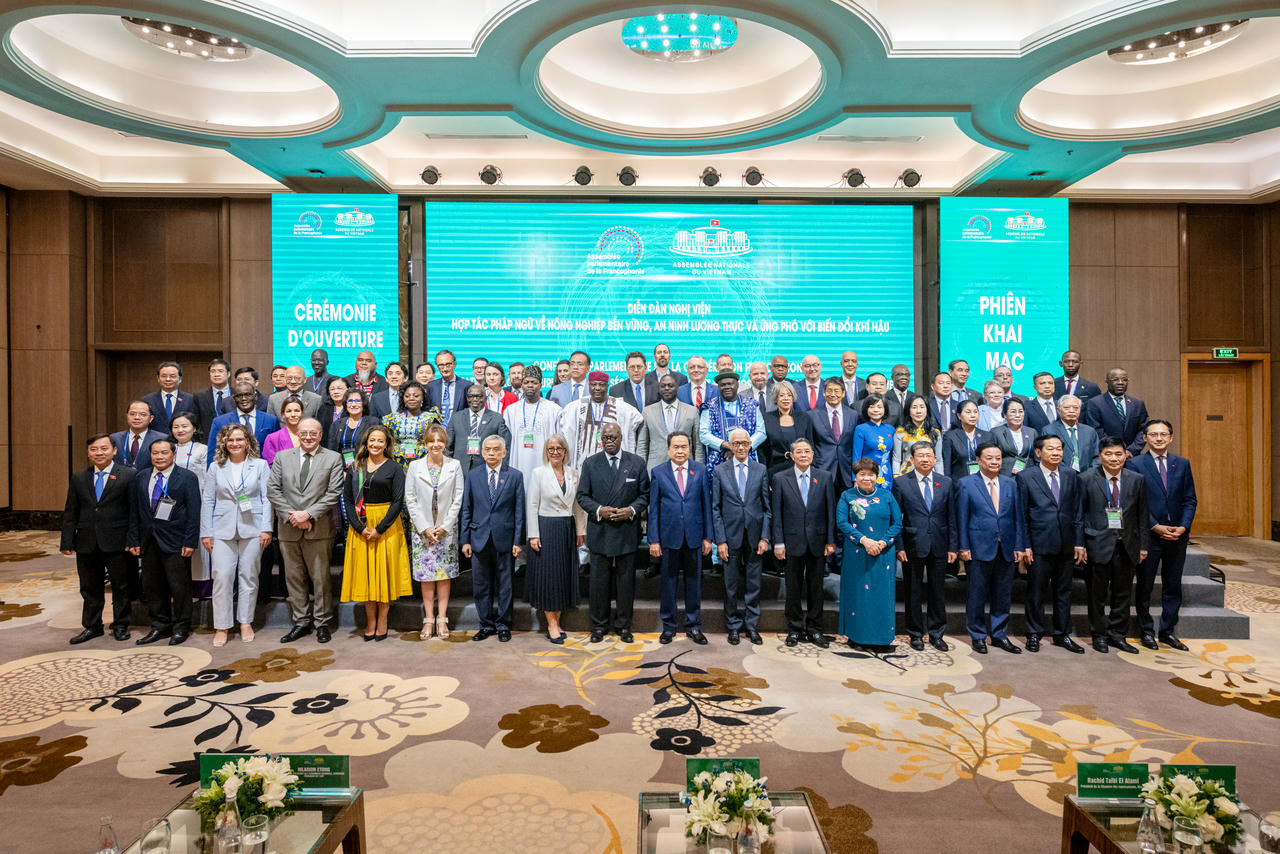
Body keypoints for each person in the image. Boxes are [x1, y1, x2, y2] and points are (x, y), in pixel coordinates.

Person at [269, 418, 344, 644]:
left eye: (313, 433)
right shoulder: (282, 457)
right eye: (304, 433)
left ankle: (322, 622)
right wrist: (293, 516)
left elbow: (333, 492)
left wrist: (308, 514)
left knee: (320, 579)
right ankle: (301, 622)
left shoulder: (332, 458)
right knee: (294, 578)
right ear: (297, 435)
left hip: (319, 528)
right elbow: (273, 489)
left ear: (320, 435)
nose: (308, 437)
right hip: (288, 528)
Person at [577, 422, 650, 643]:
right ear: (601, 440)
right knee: (598, 583)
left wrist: (631, 510)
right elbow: (582, 496)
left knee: (626, 583)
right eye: (606, 438)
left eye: (613, 437)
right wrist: (600, 510)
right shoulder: (590, 463)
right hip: (600, 529)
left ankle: (624, 626)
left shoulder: (636, 462)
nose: (609, 441)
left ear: (621, 438)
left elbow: (645, 495)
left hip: (627, 530)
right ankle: (599, 626)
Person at [62, 434, 138, 644]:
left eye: (104, 449)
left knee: (121, 586)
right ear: (88, 453)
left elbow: (134, 511)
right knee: (89, 587)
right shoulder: (79, 478)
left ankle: (121, 624)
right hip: (86, 541)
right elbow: (71, 511)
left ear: (114, 451)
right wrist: (67, 540)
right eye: (94, 449)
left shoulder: (128, 475)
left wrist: (133, 539)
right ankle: (92, 626)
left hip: (118, 540)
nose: (99, 453)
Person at [1127, 420, 1197, 651]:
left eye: (1163, 434)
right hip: (1149, 535)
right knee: (1145, 585)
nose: (1159, 438)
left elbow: (1190, 499)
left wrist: (1183, 526)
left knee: (1173, 585)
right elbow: (1133, 501)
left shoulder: (1182, 463)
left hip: (1177, 535)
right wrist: (1154, 526)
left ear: (1171, 438)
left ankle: (1167, 631)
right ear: (1145, 438)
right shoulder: (1136, 463)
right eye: (1154, 434)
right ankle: (1146, 631)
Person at [200, 423, 272, 647]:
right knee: (222, 577)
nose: (235, 443)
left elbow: (267, 498)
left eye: (239, 439)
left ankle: (245, 622)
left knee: (249, 576)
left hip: (253, 528)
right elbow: (208, 500)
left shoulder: (260, 465)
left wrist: (266, 528)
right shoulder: (215, 467)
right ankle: (222, 626)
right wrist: (206, 532)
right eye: (230, 440)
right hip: (221, 529)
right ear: (224, 443)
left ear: (248, 441)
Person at [126, 438, 201, 645]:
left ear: (174, 454)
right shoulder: (141, 477)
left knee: (179, 587)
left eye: (164, 453)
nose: (159, 457)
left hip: (176, 541)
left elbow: (194, 512)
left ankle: (181, 626)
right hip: (148, 540)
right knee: (153, 586)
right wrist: (133, 538)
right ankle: (160, 625)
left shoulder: (187, 477)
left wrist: (190, 541)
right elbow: (135, 511)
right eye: (155, 453)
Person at [1016, 434, 1086, 654]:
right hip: (1038, 545)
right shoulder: (1026, 477)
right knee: (1036, 592)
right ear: (1038, 452)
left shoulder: (1071, 474)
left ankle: (1062, 634)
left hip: (1066, 543)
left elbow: (1077, 512)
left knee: (1064, 591)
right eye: (1051, 449)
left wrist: (1079, 542)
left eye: (1059, 449)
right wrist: (1025, 545)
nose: (1056, 453)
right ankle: (1033, 633)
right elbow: (1021, 514)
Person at [340, 424, 411, 640]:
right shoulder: (355, 467)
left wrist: (379, 529)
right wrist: (360, 528)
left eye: (380, 440)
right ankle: (370, 621)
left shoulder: (395, 468)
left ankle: (383, 621)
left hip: (386, 526)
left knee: (384, 575)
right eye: (372, 440)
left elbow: (398, 501)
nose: (376, 444)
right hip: (361, 526)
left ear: (386, 444)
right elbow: (348, 500)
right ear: (366, 442)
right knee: (367, 576)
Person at [956, 442, 1027, 654]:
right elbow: (962, 518)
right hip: (978, 547)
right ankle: (977, 635)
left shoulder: (1011, 483)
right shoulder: (966, 484)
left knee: (1003, 595)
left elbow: (1018, 518)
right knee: (977, 595)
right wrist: (963, 547)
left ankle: (999, 635)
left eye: (998, 458)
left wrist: (1019, 545)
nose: (995, 462)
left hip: (1006, 547)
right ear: (978, 461)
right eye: (989, 458)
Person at [1081, 436, 1149, 653]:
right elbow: (1079, 515)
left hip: (1127, 545)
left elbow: (1143, 515)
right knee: (1097, 595)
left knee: (1123, 594)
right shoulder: (1086, 478)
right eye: (1108, 454)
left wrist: (1143, 546)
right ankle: (1098, 635)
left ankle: (1117, 635)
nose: (1114, 458)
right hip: (1097, 544)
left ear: (1125, 456)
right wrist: (1080, 544)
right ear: (1100, 456)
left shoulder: (1137, 479)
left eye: (1118, 454)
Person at [648, 432, 713, 645]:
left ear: (689, 449)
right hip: (668, 537)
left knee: (694, 583)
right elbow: (654, 509)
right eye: (676, 447)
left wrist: (708, 537)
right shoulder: (658, 472)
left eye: (684, 446)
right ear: (668, 449)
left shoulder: (700, 470)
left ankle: (694, 626)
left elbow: (706, 505)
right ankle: (668, 627)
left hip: (694, 536)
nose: (680, 451)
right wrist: (654, 539)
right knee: (668, 584)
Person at [771, 438, 836, 648]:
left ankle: (815, 629)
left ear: (813, 454)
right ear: (791, 456)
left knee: (816, 588)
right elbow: (777, 514)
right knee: (793, 587)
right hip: (791, 541)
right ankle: (795, 629)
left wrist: (830, 540)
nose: (803, 455)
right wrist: (778, 542)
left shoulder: (824, 477)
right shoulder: (780, 478)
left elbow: (830, 511)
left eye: (807, 451)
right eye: (799, 452)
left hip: (818, 541)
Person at [460, 435, 525, 643]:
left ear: (504, 453)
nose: (491, 453)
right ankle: (486, 624)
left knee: (505, 584)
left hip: (505, 538)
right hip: (478, 538)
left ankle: (503, 625)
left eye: (496, 449)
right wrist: (465, 540)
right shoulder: (473, 475)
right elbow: (467, 508)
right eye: (487, 449)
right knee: (481, 585)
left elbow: (519, 511)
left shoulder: (515, 476)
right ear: (482, 451)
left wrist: (517, 541)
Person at [892, 441, 954, 652]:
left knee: (937, 591)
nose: (925, 459)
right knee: (913, 591)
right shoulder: (901, 483)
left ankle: (937, 633)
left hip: (939, 543)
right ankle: (915, 633)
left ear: (935, 459)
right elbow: (896, 519)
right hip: (912, 544)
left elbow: (952, 517)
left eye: (929, 455)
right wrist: (899, 547)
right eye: (920, 455)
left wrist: (953, 547)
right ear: (912, 459)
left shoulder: (946, 482)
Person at [404, 423, 464, 640]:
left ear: (445, 443)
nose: (435, 445)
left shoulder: (454, 465)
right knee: (426, 575)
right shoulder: (415, 466)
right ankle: (428, 619)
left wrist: (445, 526)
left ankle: (442, 618)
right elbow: (410, 498)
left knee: (443, 575)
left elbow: (458, 498)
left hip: (446, 529)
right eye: (431, 441)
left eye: (439, 441)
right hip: (423, 530)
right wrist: (425, 527)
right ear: (425, 444)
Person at [836, 457, 902, 651]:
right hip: (857, 552)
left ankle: (882, 639)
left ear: (877, 476)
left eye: (871, 474)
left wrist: (882, 542)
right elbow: (842, 523)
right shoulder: (847, 496)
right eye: (862, 474)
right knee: (858, 595)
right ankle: (857, 637)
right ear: (855, 477)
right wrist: (864, 540)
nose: (866, 478)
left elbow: (897, 523)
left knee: (882, 596)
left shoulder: (886, 496)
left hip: (883, 553)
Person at [712, 428, 770, 646]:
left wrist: (765, 537)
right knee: (731, 585)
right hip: (730, 536)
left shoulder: (761, 469)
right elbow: (715, 508)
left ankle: (752, 626)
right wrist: (720, 540)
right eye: (736, 443)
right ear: (730, 445)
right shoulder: (720, 471)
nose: (741, 447)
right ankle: (734, 626)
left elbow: (767, 508)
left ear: (750, 444)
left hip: (755, 536)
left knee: (754, 584)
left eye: (744, 443)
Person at [525, 433, 586, 644]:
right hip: (546, 529)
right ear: (546, 452)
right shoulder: (538, 473)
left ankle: (558, 622)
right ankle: (551, 624)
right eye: (551, 449)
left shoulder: (573, 473)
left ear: (565, 451)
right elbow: (532, 505)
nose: (555, 452)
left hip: (567, 528)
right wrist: (533, 534)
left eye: (559, 448)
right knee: (549, 578)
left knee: (562, 577)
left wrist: (580, 531)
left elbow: (577, 505)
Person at [559, 371, 642, 469]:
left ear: (607, 386)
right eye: (594, 384)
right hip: (582, 464)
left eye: (601, 385)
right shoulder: (575, 407)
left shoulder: (621, 407)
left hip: (611, 465)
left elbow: (638, 419)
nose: (597, 388)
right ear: (589, 386)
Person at [170, 413, 211, 597]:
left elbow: (207, 478)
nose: (180, 430)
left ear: (194, 428)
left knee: (197, 545)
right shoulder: (167, 448)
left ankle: (200, 589)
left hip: (197, 502)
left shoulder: (203, 449)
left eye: (185, 426)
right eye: (176, 426)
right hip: (172, 505)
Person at [503, 365, 563, 481]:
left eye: (534, 382)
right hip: (518, 464)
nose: (530, 385)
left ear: (541, 385)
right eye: (526, 382)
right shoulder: (511, 411)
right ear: (521, 384)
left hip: (545, 467)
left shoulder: (554, 410)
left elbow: (560, 442)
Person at [699, 370, 764, 475]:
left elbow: (761, 432)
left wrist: (743, 447)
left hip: (747, 458)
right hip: (718, 460)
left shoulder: (752, 405)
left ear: (737, 385)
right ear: (718, 387)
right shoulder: (709, 406)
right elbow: (704, 434)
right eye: (723, 385)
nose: (727, 387)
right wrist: (725, 445)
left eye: (730, 384)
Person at [637, 374, 702, 471]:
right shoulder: (647, 411)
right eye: (663, 386)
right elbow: (642, 445)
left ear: (677, 388)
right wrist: (640, 471)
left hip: (685, 467)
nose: (667, 388)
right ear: (659, 389)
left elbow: (698, 445)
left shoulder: (692, 411)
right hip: (655, 467)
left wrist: (699, 469)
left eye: (670, 385)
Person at [1085, 368, 1149, 455]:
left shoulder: (1137, 404)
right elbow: (1096, 430)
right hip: (1108, 454)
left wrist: (1132, 450)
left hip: (1132, 455)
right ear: (1107, 381)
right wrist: (1116, 450)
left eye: (1124, 380)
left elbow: (1144, 430)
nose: (1120, 382)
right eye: (1115, 379)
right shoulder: (1095, 403)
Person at [447, 384, 511, 471]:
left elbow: (505, 446)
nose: (475, 399)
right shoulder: (456, 417)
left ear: (486, 398)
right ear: (467, 398)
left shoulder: (497, 418)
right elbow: (448, 446)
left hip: (487, 468)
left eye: (479, 396)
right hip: (460, 468)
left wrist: (501, 469)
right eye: (471, 396)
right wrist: (449, 467)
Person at [760, 382, 814, 478]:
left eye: (789, 395)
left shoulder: (804, 417)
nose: (786, 398)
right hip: (775, 470)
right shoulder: (767, 418)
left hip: (801, 469)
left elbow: (811, 445)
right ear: (776, 398)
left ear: (793, 398)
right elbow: (763, 450)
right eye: (781, 395)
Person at [811, 377, 856, 493]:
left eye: (836, 391)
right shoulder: (812, 415)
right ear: (823, 393)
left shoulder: (853, 415)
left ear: (843, 393)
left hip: (846, 469)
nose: (833, 394)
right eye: (829, 391)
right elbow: (810, 443)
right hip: (822, 468)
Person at [209, 381, 280, 454]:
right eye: (239, 396)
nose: (243, 398)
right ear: (234, 399)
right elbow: (213, 453)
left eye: (248, 395)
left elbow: (278, 449)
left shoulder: (271, 420)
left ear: (255, 397)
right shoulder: (220, 422)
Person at [383, 380, 440, 470]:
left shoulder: (431, 418)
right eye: (407, 396)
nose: (411, 398)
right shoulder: (392, 419)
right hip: (397, 463)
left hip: (423, 463)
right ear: (403, 399)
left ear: (423, 398)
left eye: (416, 396)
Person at [1043, 394, 1099, 472]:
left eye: (1076, 408)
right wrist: (1067, 473)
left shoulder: (1089, 431)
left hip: (1087, 475)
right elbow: (1048, 457)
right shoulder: (1049, 430)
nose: (1072, 411)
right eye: (1067, 408)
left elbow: (1097, 456)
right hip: (1061, 474)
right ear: (1058, 410)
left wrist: (1089, 473)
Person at [892, 394, 942, 479]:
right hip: (907, 475)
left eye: (922, 407)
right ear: (908, 411)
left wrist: (940, 478)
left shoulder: (935, 433)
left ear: (927, 409)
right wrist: (896, 477)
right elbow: (896, 459)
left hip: (929, 476)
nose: (918, 411)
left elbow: (939, 460)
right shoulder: (900, 432)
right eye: (914, 407)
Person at [141, 361, 196, 436]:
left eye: (172, 376)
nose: (168, 379)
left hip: (182, 441)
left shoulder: (190, 399)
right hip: (155, 441)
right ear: (158, 378)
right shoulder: (147, 400)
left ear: (180, 379)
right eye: (164, 376)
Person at [851, 393, 894, 487]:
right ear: (866, 409)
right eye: (871, 407)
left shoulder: (890, 429)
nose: (875, 410)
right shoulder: (860, 429)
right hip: (867, 476)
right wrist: (855, 479)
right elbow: (856, 456)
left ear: (885, 409)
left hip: (887, 475)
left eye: (879, 407)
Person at [939, 399, 988, 479]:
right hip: (959, 482)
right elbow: (947, 466)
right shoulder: (950, 436)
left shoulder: (987, 436)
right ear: (959, 416)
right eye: (968, 412)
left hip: (983, 481)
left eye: (975, 412)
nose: (973, 415)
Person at [326, 389, 380, 462]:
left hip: (366, 464)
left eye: (357, 401)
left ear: (363, 404)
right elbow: (331, 450)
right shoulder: (337, 424)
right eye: (350, 401)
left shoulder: (373, 423)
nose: (354, 405)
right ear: (345, 404)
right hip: (341, 465)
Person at [990, 397, 1036, 477]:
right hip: (1005, 476)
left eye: (1020, 411)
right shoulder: (996, 432)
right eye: (1013, 412)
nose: (1017, 415)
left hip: (1029, 475)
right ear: (1005, 415)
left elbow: (1036, 457)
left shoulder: (1032, 432)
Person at [112, 401, 166, 468]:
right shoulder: (114, 438)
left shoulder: (161, 439)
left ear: (151, 418)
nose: (137, 417)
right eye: (132, 414)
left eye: (143, 414)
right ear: (127, 416)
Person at [425, 348, 472, 427]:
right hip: (437, 430)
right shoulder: (431, 386)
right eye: (441, 365)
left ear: (454, 364)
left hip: (459, 429)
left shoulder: (466, 385)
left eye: (448, 364)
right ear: (437, 367)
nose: (445, 368)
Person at [193, 358, 233, 438]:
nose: (216, 374)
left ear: (228, 374)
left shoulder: (237, 395)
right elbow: (196, 422)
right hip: (208, 440)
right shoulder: (199, 397)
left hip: (233, 439)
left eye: (220, 371)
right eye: (213, 371)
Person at [261, 397, 305, 467]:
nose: (293, 415)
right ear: (283, 414)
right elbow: (270, 467)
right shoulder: (273, 439)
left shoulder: (310, 436)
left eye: (296, 411)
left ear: (302, 413)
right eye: (289, 411)